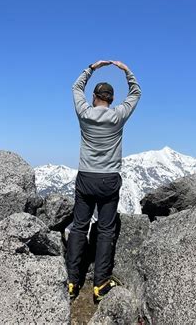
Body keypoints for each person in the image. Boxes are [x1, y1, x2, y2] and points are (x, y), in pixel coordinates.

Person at [66, 59, 142, 304]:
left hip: (86, 177)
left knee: (80, 226)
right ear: (111, 98)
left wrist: (92, 68)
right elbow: (136, 92)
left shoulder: (85, 113)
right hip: (109, 179)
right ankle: (100, 284)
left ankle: (72, 281)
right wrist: (126, 70)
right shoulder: (118, 116)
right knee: (106, 230)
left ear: (95, 96)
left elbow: (76, 88)